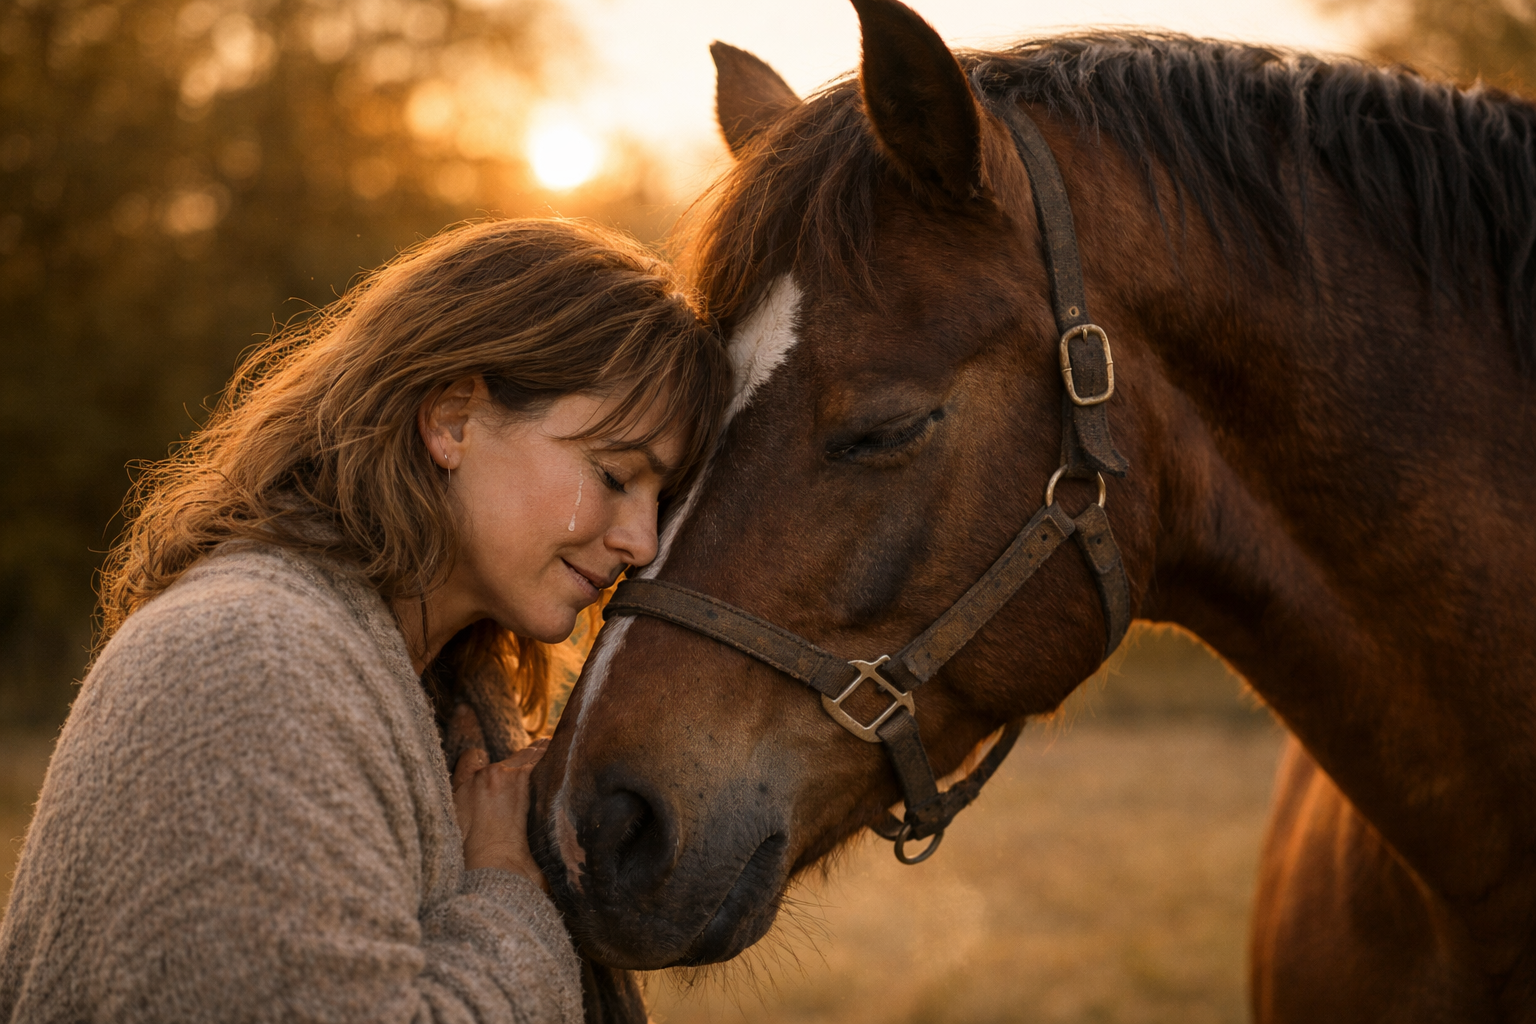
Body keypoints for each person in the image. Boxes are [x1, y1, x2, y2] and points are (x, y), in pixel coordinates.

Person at [0, 219, 732, 1023]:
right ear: (453, 419)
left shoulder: (447, 688)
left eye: (659, 500)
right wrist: (507, 889)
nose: (642, 540)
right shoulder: (251, 666)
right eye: (615, 473)